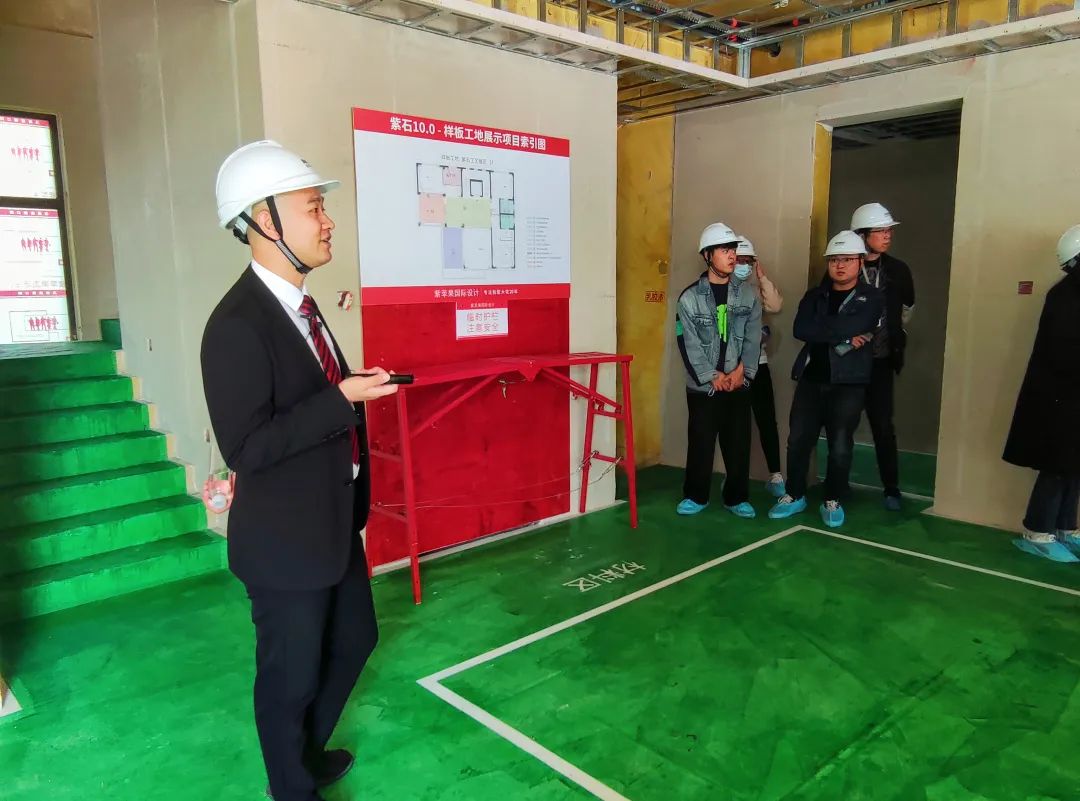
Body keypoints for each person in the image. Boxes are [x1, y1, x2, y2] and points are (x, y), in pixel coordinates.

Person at [201, 140, 399, 801]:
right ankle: (291, 787)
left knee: (355, 639)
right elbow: (248, 447)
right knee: (289, 678)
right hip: (284, 542)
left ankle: (301, 757)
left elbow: (307, 401)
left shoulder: (303, 309)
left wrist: (348, 388)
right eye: (313, 207)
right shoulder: (235, 325)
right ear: (265, 220)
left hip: (332, 524)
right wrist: (340, 399)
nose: (328, 221)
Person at [769, 231, 884, 528]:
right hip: (811, 380)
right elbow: (800, 329)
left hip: (848, 383)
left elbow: (859, 323)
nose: (840, 265)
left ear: (860, 262)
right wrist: (843, 335)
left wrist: (825, 329)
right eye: (834, 260)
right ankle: (794, 494)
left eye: (846, 259)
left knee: (841, 445)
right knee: (798, 441)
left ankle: (832, 498)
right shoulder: (814, 296)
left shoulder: (871, 298)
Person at [1003, 224, 1080, 563]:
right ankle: (1037, 530)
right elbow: (1064, 350)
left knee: (1073, 465)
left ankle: (1066, 527)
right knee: (1056, 465)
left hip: (1071, 396)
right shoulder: (1064, 296)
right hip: (1059, 396)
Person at [675, 222, 763, 519]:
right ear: (707, 255)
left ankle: (736, 498)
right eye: (725, 250)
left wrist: (742, 372)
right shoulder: (689, 298)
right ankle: (695, 495)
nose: (732, 255)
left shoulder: (748, 296)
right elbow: (687, 343)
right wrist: (713, 376)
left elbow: (753, 338)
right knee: (701, 442)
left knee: (738, 443)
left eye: (733, 249)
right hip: (704, 386)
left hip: (738, 381)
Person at [851, 202, 915, 511]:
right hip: (849, 362)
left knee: (883, 427)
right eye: (880, 231)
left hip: (882, 363)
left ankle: (892, 489)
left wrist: (893, 335)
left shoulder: (898, 270)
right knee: (843, 425)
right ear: (862, 235)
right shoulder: (845, 266)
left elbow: (908, 308)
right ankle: (837, 485)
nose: (887, 235)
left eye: (889, 230)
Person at [736, 236, 786, 498]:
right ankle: (736, 478)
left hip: (759, 365)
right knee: (737, 424)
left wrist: (763, 278)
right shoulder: (718, 290)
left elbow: (775, 306)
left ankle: (776, 475)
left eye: (748, 261)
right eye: (739, 260)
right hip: (732, 370)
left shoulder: (755, 291)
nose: (743, 266)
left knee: (766, 419)